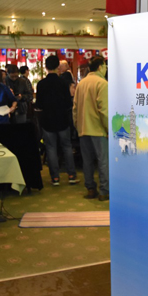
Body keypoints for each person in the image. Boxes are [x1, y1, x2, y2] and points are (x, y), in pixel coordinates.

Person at [36, 56, 80, 186]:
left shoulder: (41, 84)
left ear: (46, 67)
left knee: (51, 148)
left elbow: (39, 104)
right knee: (67, 147)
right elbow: (68, 103)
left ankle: (55, 178)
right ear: (58, 67)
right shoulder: (63, 83)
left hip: (47, 121)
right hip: (62, 120)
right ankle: (71, 176)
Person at [72, 56, 108, 200]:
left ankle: (91, 189)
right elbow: (104, 110)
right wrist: (108, 129)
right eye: (105, 66)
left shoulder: (81, 83)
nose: (105, 69)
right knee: (103, 161)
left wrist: (77, 125)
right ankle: (104, 191)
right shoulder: (102, 83)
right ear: (100, 67)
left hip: (83, 128)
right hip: (98, 129)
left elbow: (75, 108)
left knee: (87, 161)